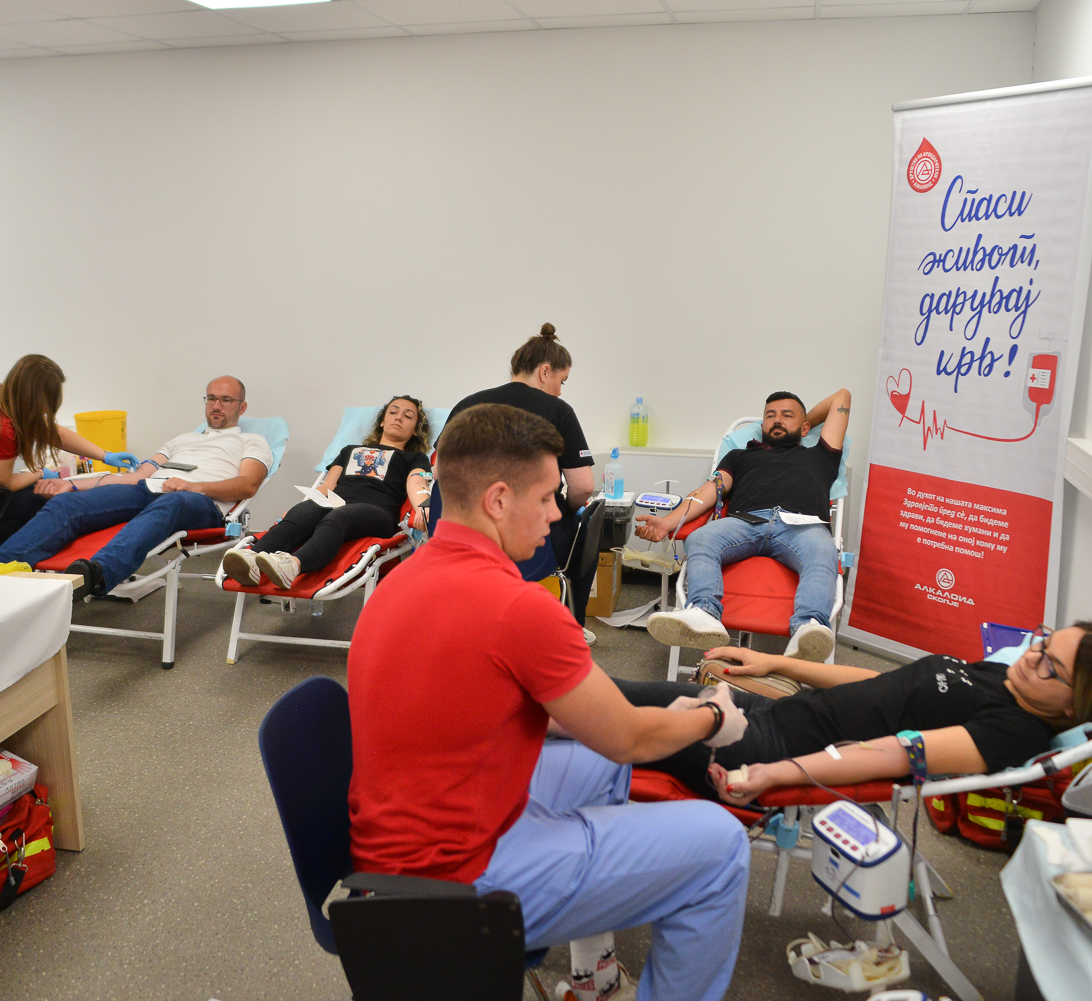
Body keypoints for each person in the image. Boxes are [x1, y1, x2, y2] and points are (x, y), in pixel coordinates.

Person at [348, 403, 751, 1001]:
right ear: (498, 500)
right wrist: (713, 717)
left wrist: (638, 722)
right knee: (720, 846)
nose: (558, 512)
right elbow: (630, 739)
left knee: (597, 762)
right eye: (545, 497)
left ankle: (595, 977)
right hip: (458, 879)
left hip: (395, 842)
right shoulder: (519, 607)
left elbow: (496, 706)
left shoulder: (402, 578)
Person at [611, 624, 1092, 805]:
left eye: (1050, 664)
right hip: (773, 711)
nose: (1031, 656)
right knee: (610, 694)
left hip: (764, 747)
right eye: (1043, 642)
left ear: (1074, 704)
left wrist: (774, 774)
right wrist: (776, 662)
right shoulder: (1005, 676)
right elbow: (882, 686)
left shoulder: (1014, 731)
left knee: (605, 721)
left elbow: (895, 754)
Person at [0, 376, 271, 598]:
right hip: (150, 490)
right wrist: (71, 485)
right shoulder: (181, 440)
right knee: (66, 504)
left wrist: (193, 486)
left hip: (198, 501)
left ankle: (98, 574)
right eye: (211, 398)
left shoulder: (252, 441)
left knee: (172, 502)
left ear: (242, 407)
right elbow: (136, 477)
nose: (216, 405)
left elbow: (248, 485)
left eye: (226, 400)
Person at [639, 388, 852, 663]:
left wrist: (802, 423)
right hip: (745, 523)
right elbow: (709, 490)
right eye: (770, 416)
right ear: (762, 425)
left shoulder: (821, 455)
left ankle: (808, 627)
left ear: (805, 427)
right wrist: (668, 521)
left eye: (787, 415)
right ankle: (704, 612)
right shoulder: (739, 456)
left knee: (824, 550)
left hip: (802, 527)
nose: (777, 420)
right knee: (701, 538)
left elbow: (842, 397)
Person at [0, 354, 139, 547]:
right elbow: (1, 482)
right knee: (45, 506)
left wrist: (105, 455)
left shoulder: (0, 397)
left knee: (44, 496)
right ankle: (10, 561)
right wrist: (39, 473)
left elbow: (52, 432)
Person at [220, 396, 431, 590]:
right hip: (336, 502)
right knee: (303, 513)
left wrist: (424, 507)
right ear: (382, 422)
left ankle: (293, 566)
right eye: (393, 412)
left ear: (415, 431)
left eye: (408, 416)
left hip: (377, 512)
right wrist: (300, 507)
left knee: (339, 516)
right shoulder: (350, 450)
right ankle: (251, 559)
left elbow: (417, 483)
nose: (398, 417)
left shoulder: (414, 458)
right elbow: (327, 486)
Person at [440, 323, 595, 583]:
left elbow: (438, 473)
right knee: (587, 538)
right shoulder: (559, 411)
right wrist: (565, 509)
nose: (560, 390)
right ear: (545, 372)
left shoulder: (467, 405)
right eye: (561, 381)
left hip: (464, 541)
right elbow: (583, 487)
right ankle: (568, 608)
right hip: (535, 544)